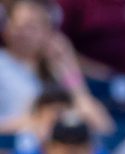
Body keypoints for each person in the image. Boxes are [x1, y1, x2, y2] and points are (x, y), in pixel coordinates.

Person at [0, 0, 113, 133]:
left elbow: (103, 126)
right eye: (18, 26)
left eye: (32, 27)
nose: (24, 33)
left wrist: (68, 65)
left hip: (57, 148)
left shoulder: (56, 69)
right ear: (6, 29)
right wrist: (37, 122)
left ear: (48, 32)